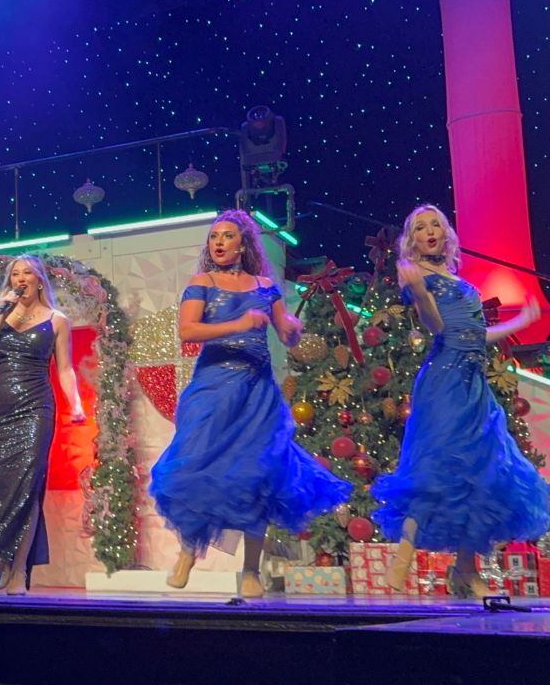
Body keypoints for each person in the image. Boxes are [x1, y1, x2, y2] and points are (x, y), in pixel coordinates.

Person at [150, 210, 351, 598]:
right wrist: (238, 324)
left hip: (257, 392)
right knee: (198, 465)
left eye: (228, 236)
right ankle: (189, 549)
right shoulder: (202, 282)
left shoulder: (263, 285)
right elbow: (188, 330)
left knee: (260, 476)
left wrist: (292, 331)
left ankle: (250, 571)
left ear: (243, 243)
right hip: (213, 387)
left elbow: (285, 332)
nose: (220, 243)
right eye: (214, 237)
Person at [373, 204, 550, 597]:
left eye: (436, 224)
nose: (431, 231)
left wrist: (520, 323)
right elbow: (438, 328)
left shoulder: (455, 277)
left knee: (481, 468)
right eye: (421, 227)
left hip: (475, 383)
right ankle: (403, 553)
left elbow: (474, 334)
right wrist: (419, 291)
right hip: (444, 379)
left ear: (446, 234)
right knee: (438, 463)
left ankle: (466, 571)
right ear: (413, 240)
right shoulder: (418, 277)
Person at [0, 255, 85, 596]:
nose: (20, 279)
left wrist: (74, 403)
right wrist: (0, 311)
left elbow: (65, 369)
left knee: (26, 488)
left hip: (34, 409)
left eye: (27, 273)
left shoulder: (56, 320)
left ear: (39, 280)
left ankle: (17, 571)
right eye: (15, 274)